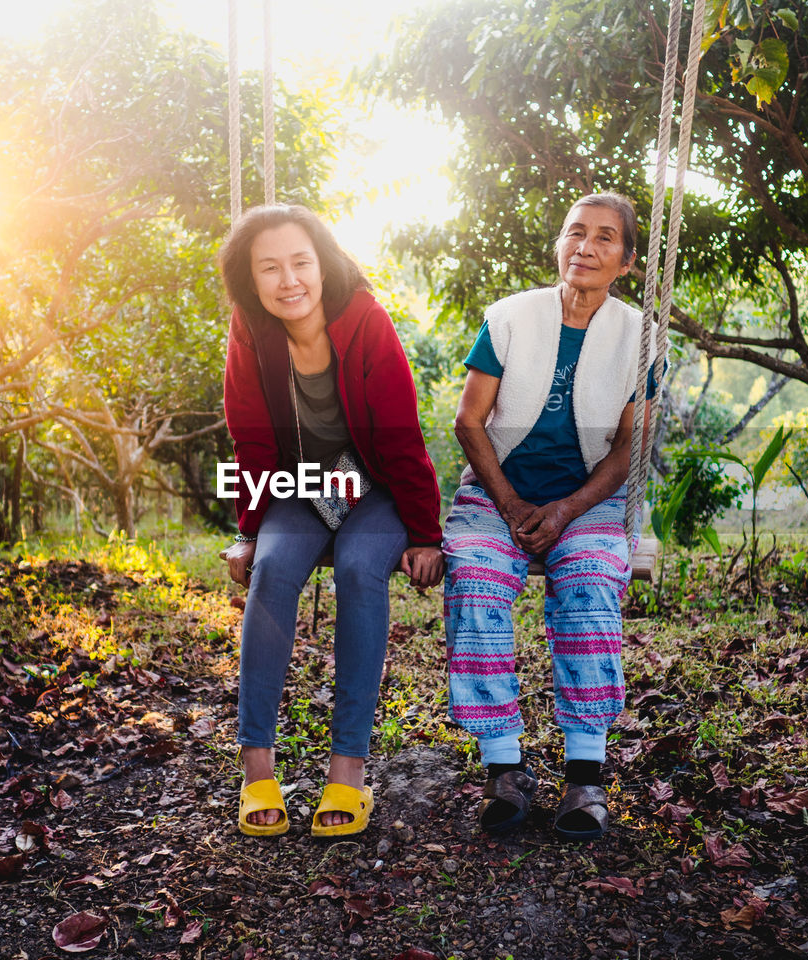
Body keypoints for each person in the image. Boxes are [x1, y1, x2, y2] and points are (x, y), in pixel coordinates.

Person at [219, 204, 445, 838]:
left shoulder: (366, 320)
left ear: (323, 265)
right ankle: (256, 767)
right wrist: (249, 528)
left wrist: (425, 532)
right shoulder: (249, 329)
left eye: (300, 263)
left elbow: (402, 437)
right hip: (304, 486)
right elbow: (252, 439)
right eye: (270, 268)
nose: (288, 280)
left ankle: (347, 772)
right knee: (272, 570)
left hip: (372, 485)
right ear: (251, 280)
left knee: (356, 567)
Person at [443, 192, 661, 840]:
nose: (586, 247)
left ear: (624, 260)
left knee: (592, 581)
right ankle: (504, 769)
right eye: (575, 233)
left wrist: (567, 510)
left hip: (590, 498)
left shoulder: (640, 336)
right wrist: (509, 504)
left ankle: (586, 778)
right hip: (496, 492)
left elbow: (630, 448)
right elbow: (468, 420)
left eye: (604, 238)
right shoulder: (510, 319)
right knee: (475, 579)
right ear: (558, 244)